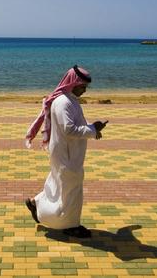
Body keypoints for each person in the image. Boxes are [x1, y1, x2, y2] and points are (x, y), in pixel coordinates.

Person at [24, 65, 107, 238]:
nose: (84, 90)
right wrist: (92, 128)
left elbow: (77, 123)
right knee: (71, 189)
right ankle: (70, 226)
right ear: (73, 83)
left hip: (66, 151)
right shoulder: (63, 103)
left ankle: (36, 204)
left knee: (59, 185)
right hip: (66, 153)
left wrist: (93, 130)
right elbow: (69, 129)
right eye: (82, 86)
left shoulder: (70, 100)